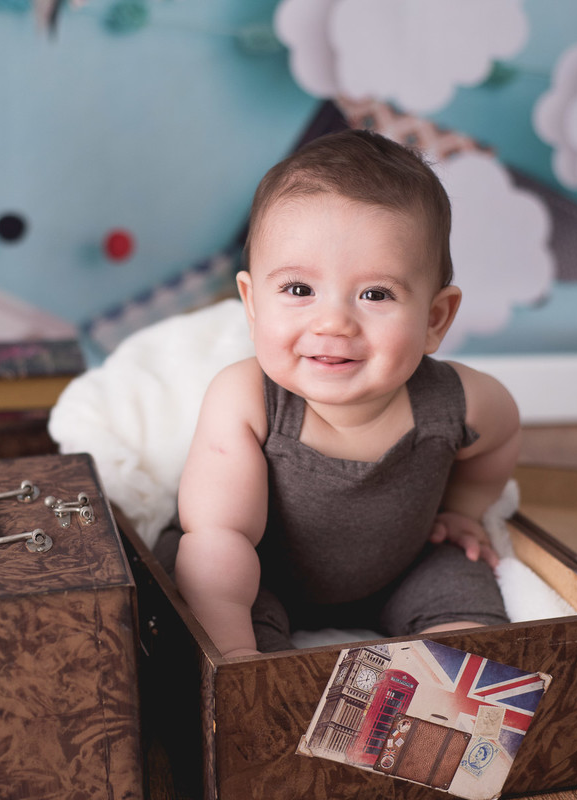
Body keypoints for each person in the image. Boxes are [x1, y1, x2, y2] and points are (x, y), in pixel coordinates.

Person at [173, 129, 521, 657]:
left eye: (375, 294)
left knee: (468, 605)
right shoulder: (246, 400)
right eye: (299, 290)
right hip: (263, 578)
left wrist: (466, 510)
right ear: (251, 303)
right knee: (219, 599)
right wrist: (235, 666)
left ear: (434, 318)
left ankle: (454, 707)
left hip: (403, 569)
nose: (333, 322)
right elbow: (219, 538)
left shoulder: (460, 402)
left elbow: (500, 434)